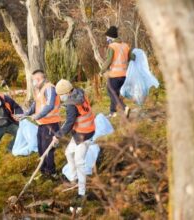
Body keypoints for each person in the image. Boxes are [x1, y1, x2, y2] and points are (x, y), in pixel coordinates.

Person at [52, 79, 96, 208]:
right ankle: (74, 179)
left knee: (79, 162)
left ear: (66, 92)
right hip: (84, 132)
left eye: (60, 95)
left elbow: (69, 122)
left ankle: (81, 192)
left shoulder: (71, 104)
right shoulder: (79, 92)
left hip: (84, 135)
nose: (60, 97)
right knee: (68, 153)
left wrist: (57, 136)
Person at [23, 70, 61, 179]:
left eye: (34, 79)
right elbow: (35, 104)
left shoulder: (50, 88)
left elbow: (50, 105)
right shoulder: (38, 90)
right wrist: (25, 114)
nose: (33, 82)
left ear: (39, 79)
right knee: (40, 148)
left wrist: (38, 116)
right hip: (42, 124)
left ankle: (52, 173)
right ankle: (44, 171)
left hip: (51, 124)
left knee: (48, 150)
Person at [100, 26, 135, 118]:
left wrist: (102, 71)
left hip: (115, 75)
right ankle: (113, 112)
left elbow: (109, 60)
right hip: (124, 76)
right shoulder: (125, 46)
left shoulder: (112, 46)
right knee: (115, 93)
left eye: (107, 37)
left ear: (111, 37)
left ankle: (125, 108)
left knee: (111, 92)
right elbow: (133, 57)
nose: (107, 39)